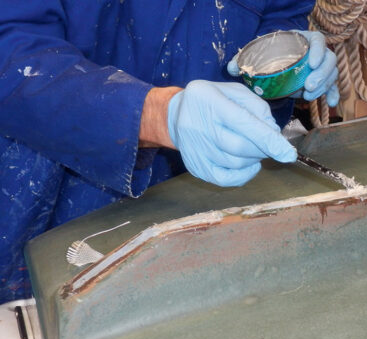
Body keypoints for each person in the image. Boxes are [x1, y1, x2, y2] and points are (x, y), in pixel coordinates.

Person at [0, 0, 339, 303]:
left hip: (192, 206)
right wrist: (156, 116)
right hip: (33, 199)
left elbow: (278, 16)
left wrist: (284, 70)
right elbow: (10, 54)